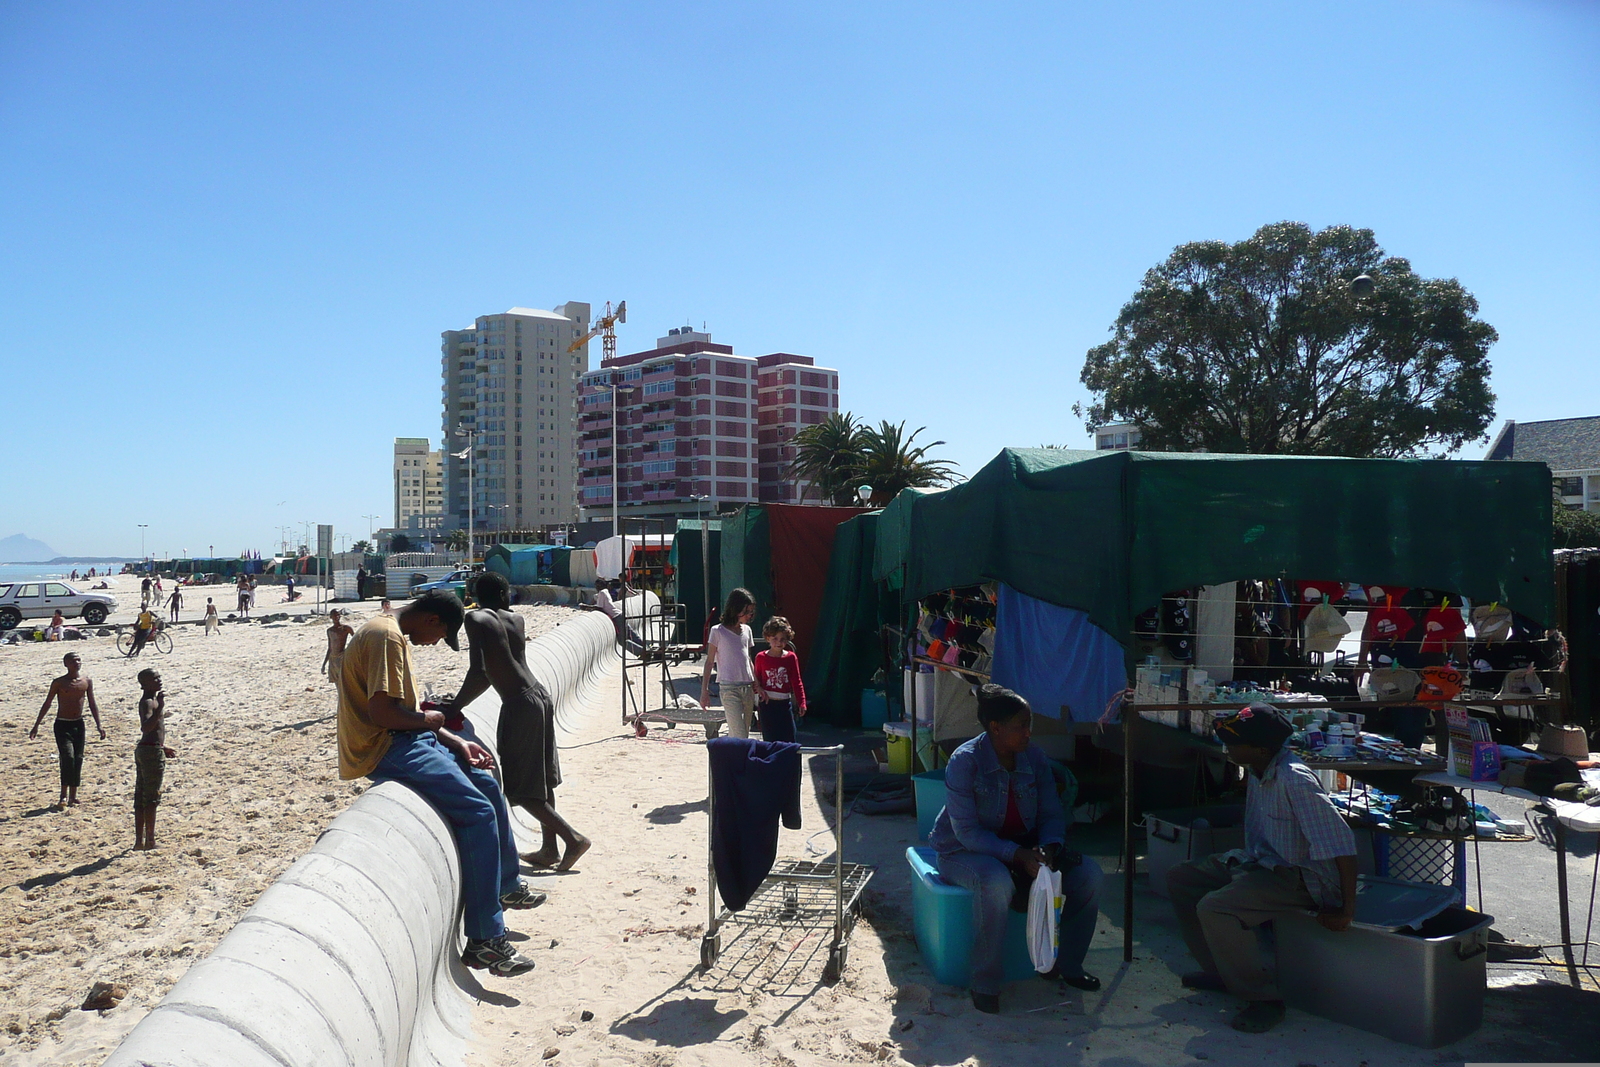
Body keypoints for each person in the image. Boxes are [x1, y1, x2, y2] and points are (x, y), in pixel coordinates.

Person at [336, 589, 538, 977]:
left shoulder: (390, 632)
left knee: (488, 784)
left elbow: (406, 711)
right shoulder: (386, 637)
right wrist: (431, 723)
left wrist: (455, 740)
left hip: (408, 738)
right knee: (477, 814)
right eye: (439, 636)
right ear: (431, 619)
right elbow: (383, 714)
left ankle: (506, 885)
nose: (433, 644)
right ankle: (484, 941)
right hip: (386, 747)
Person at [1167, 703, 1359, 1034]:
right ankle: (1221, 972)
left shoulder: (1294, 779)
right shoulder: (1258, 768)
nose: (1228, 749)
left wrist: (1345, 909)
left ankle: (1263, 998)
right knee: (1182, 878)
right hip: (1262, 860)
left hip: (1300, 878)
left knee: (1215, 908)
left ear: (1259, 748)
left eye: (1234, 743)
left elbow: (1343, 847)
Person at [929, 684, 1104, 1014]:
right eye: (1020, 726)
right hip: (962, 852)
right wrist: (1018, 855)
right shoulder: (964, 762)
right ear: (995, 728)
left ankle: (1067, 965)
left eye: (1029, 725)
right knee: (995, 883)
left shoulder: (1033, 757)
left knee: (1090, 876)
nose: (1028, 733)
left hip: (1024, 848)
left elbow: (1052, 813)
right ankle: (984, 981)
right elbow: (966, 833)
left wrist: (1049, 848)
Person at [31, 652, 106, 806]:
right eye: (73, 661)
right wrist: (36, 725)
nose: (77, 663)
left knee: (78, 759)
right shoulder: (59, 683)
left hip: (78, 724)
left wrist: (99, 725)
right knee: (67, 757)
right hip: (62, 724)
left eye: (78, 660)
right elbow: (47, 703)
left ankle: (73, 795)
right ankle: (63, 795)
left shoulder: (86, 681)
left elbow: (92, 703)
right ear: (66, 664)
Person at [701, 588, 757, 738]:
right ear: (735, 609)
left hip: (748, 686)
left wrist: (756, 682)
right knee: (739, 733)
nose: (749, 616)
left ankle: (736, 759)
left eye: (751, 612)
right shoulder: (718, 631)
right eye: (746, 612)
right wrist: (704, 690)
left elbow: (748, 659)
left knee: (743, 732)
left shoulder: (747, 630)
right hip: (729, 688)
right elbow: (709, 662)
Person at [134, 668, 174, 850]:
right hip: (150, 753)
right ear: (144, 684)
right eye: (154, 679)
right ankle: (149, 840)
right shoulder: (148, 702)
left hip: (149, 749)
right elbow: (146, 727)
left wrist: (163, 746)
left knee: (142, 796)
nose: (159, 680)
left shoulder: (151, 701)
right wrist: (161, 707)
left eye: (159, 677)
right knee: (150, 798)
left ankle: (139, 841)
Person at [753, 616, 807, 744]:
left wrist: (802, 702)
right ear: (767, 638)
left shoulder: (791, 657)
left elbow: (797, 681)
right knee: (770, 741)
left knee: (789, 740)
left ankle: (790, 764)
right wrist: (758, 691)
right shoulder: (760, 657)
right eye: (775, 638)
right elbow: (756, 680)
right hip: (767, 705)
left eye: (783, 639)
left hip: (784, 704)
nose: (779, 642)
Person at [579, 578, 643, 655]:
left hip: (616, 616)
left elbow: (599, 607)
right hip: (619, 614)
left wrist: (586, 607)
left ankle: (641, 652)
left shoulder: (602, 593)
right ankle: (645, 647)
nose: (596, 587)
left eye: (597, 586)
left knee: (622, 641)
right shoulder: (606, 591)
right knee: (631, 634)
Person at [322, 609, 353, 686]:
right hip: (333, 659)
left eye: (338, 615)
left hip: (342, 656)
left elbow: (355, 640)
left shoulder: (346, 628)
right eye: (335, 615)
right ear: (331, 617)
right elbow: (330, 647)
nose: (337, 617)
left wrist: (348, 651)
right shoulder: (330, 631)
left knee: (344, 681)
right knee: (337, 682)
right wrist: (324, 664)